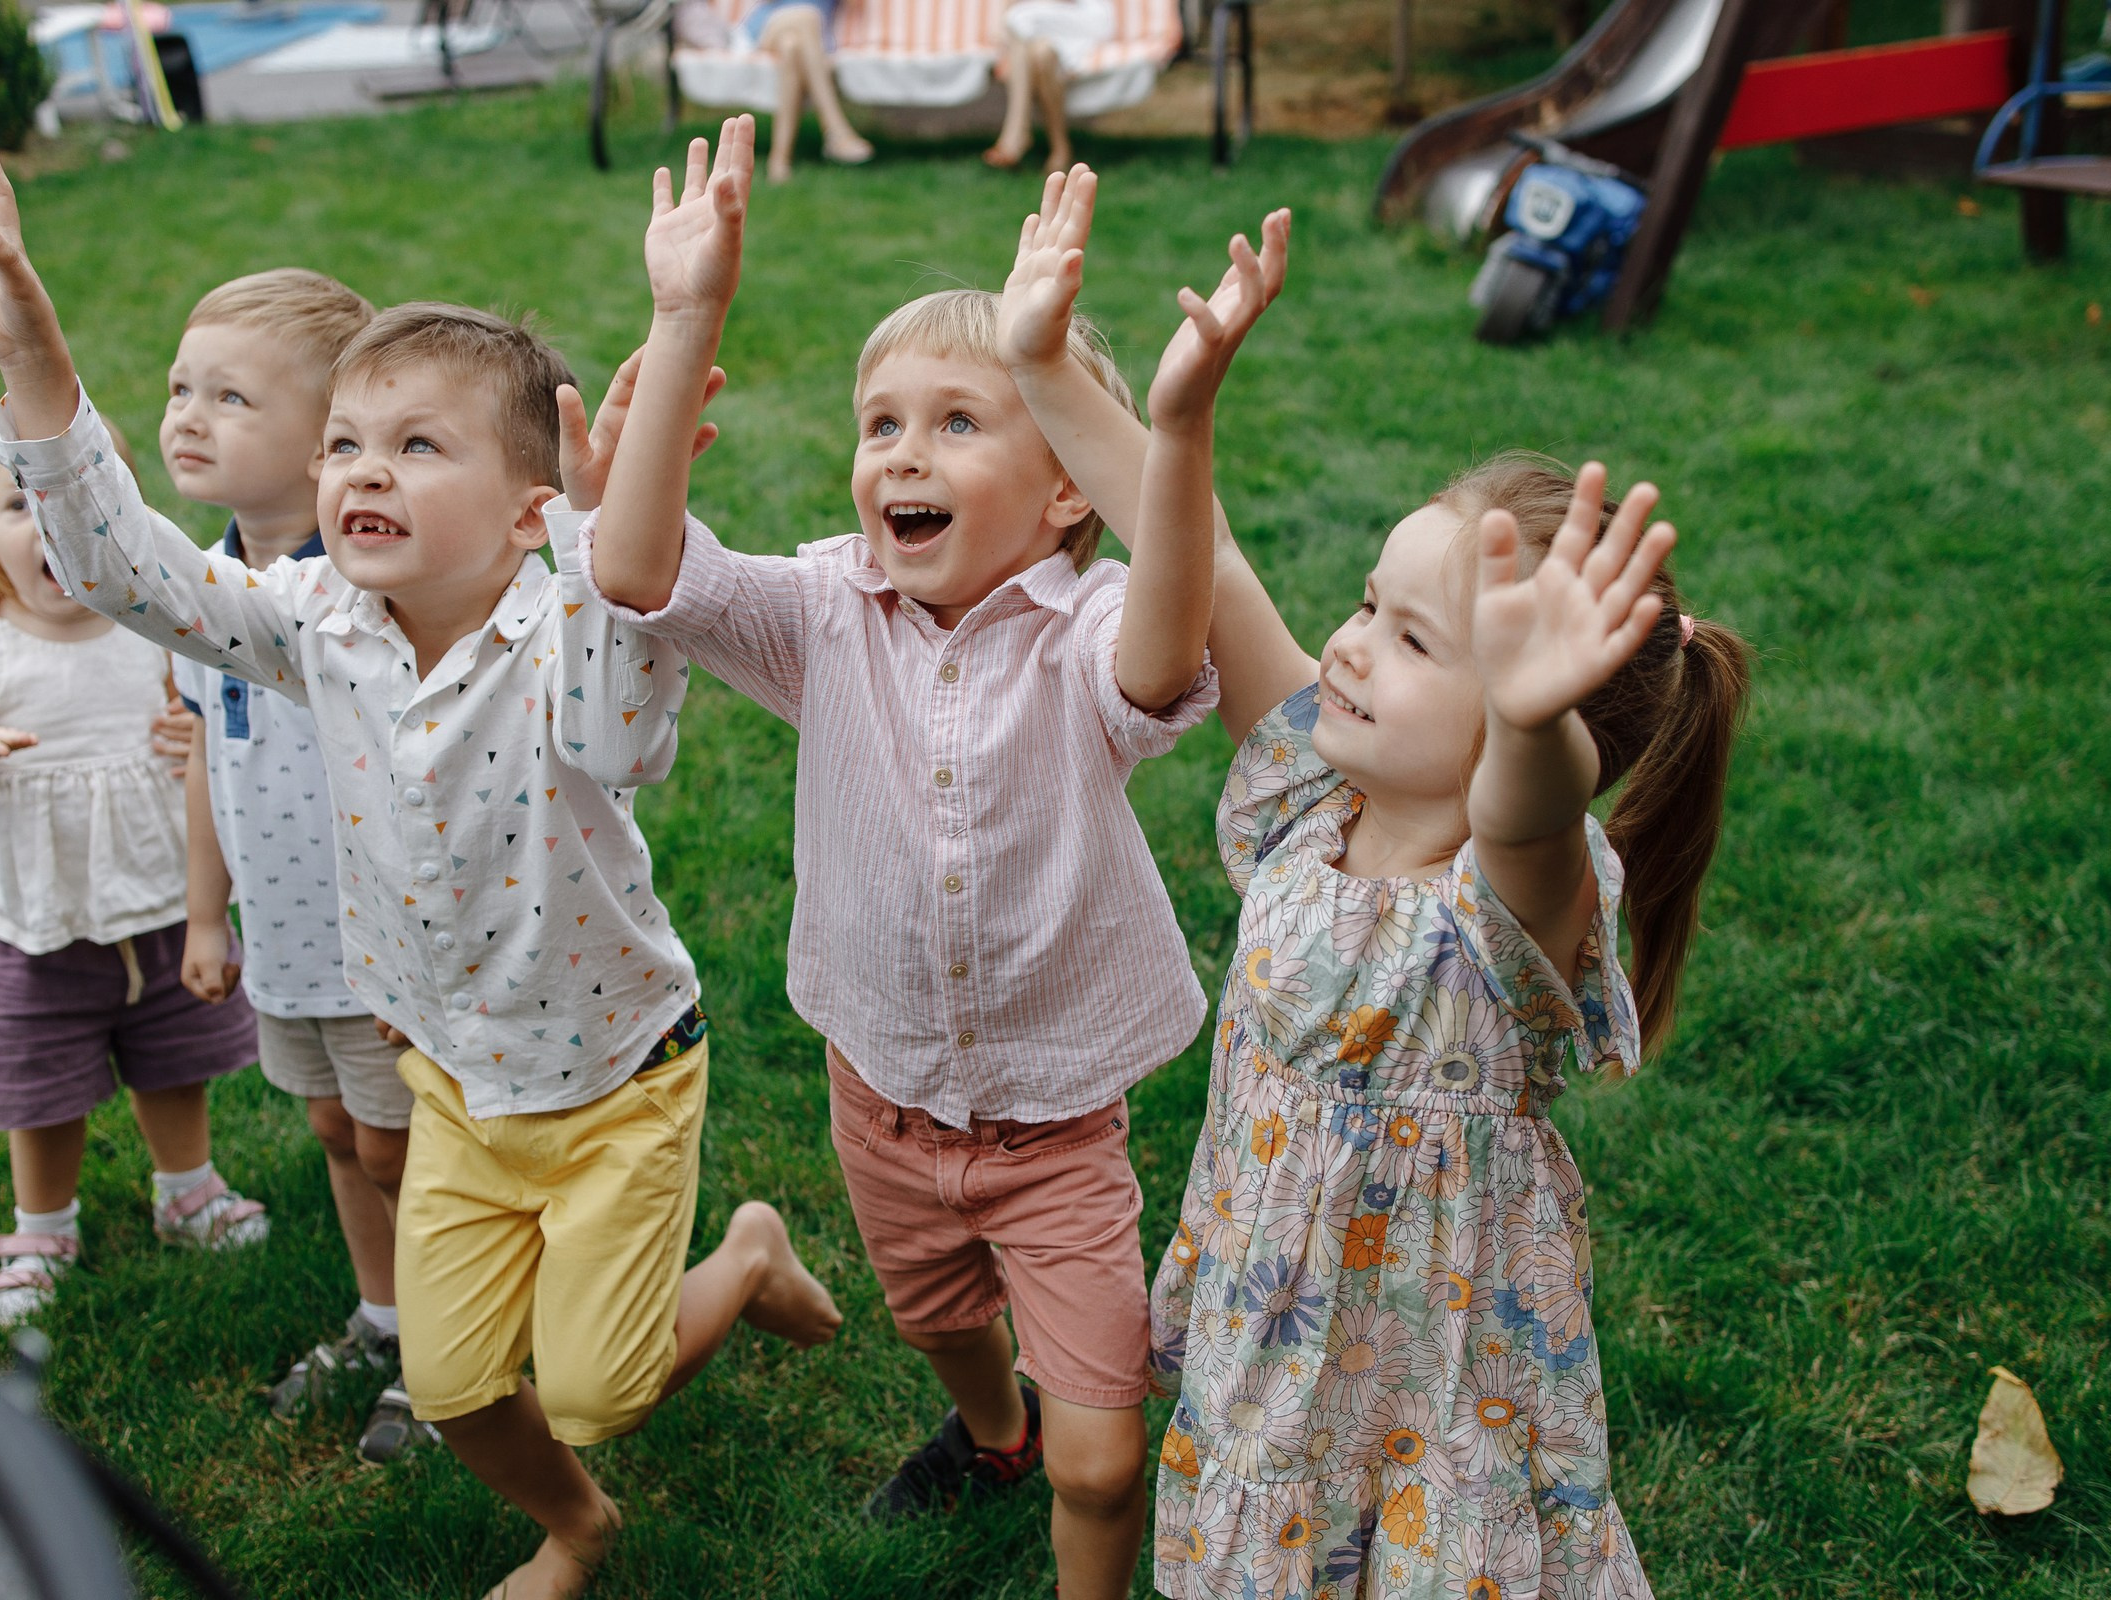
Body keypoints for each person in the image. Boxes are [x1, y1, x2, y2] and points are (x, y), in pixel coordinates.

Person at [0, 141, 842, 1600]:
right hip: (455, 1083)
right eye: (347, 441)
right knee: (456, 1377)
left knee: (599, 1389)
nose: (364, 470)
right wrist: (33, 349)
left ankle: (743, 1256)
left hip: (613, 1081)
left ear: (531, 508)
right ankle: (582, 1529)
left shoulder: (568, 633)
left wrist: (672, 350)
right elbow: (128, 573)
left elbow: (628, 693)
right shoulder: (311, 622)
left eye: (420, 447)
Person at [1005, 165, 1748, 1600]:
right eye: (1366, 606)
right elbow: (1201, 560)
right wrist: (1117, 392)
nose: (1348, 646)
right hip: (1275, 1343)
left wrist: (1533, 720)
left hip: (1438, 1398)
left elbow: (1529, 812)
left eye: (1414, 643)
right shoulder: (1314, 796)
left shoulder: (1517, 897)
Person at [581, 118, 1284, 1600]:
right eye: (881, 421)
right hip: (881, 1089)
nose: (903, 451)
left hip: (1055, 1128)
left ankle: (1061, 1476)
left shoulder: (1091, 623)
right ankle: (990, 1429)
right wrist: (684, 310)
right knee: (938, 1313)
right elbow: (637, 569)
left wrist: (1127, 410)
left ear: (1068, 492)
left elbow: (1168, 651)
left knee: (1111, 1466)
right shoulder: (824, 610)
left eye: (961, 422)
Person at [150, 267, 432, 1463]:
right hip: (284, 929)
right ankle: (382, 1318)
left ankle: (443, 1354)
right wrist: (206, 918)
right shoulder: (203, 590)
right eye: (179, 387)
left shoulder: (374, 591)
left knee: (399, 1141)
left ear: (327, 442)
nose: (186, 416)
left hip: (385, 940)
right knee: (329, 1124)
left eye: (230, 397)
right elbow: (208, 761)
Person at [0, 420, 269, 1330]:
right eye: (17, 507)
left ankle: (186, 1187)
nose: (42, 526)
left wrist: (194, 736)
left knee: (173, 1059)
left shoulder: (150, 627)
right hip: (38, 915)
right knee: (41, 1080)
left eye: (67, 506)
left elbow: (202, 729)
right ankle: (42, 1228)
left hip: (157, 896)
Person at [738, 0, 874, 182]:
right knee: (807, 16)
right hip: (769, 25)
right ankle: (835, 129)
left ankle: (779, 161)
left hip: (813, 39)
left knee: (791, 48)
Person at [982, 0, 1115, 174]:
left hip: (1085, 18)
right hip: (1051, 27)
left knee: (1018, 19)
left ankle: (1017, 133)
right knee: (1042, 54)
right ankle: (1060, 149)